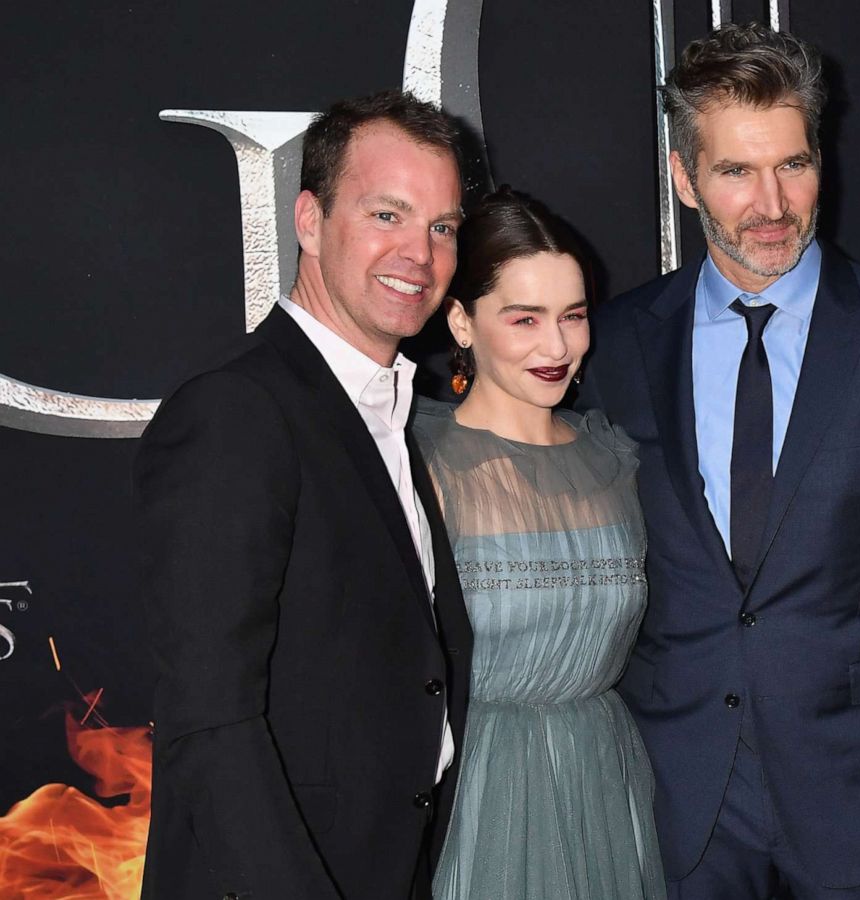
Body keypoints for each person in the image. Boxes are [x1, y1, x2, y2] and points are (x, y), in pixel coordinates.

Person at [579, 22, 860, 900]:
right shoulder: (614, 345)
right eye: (735, 171)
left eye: (793, 165)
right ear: (685, 176)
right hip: (675, 793)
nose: (772, 204)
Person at [137, 90, 473, 899]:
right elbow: (210, 718)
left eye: (442, 226)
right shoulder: (237, 412)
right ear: (311, 221)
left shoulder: (398, 410)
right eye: (387, 215)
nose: (419, 254)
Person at [415, 187, 666, 899]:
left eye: (573, 317)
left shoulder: (615, 458)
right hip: (473, 794)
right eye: (524, 319)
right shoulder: (418, 465)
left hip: (605, 784)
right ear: (462, 321)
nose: (556, 347)